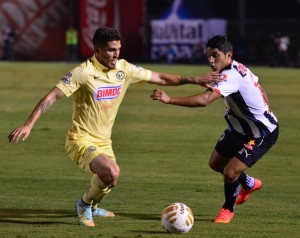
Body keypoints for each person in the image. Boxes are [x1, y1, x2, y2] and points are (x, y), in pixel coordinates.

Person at [7, 27, 222, 227]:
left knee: (111, 179)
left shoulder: (124, 69)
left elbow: (160, 77)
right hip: (80, 140)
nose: (116, 54)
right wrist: (28, 124)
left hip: (104, 141)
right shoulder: (83, 72)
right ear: (98, 50)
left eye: (118, 49)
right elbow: (52, 96)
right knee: (111, 171)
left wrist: (194, 79)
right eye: (111, 50)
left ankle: (93, 206)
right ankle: (83, 204)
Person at [151, 35, 279, 224]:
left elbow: (204, 100)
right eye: (208, 56)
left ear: (228, 55)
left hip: (260, 133)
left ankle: (228, 208)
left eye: (215, 56)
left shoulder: (230, 76)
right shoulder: (237, 66)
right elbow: (260, 88)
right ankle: (248, 183)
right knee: (216, 164)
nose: (211, 61)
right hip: (238, 130)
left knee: (230, 172)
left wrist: (170, 100)